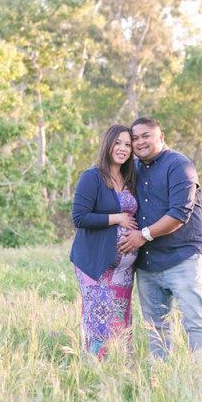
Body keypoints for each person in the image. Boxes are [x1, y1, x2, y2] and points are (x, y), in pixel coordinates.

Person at [117, 117, 202, 359]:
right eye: (135, 138)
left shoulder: (180, 166)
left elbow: (179, 214)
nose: (139, 142)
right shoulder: (133, 170)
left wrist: (143, 236)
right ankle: (160, 379)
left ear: (161, 137)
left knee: (195, 322)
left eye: (146, 136)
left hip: (183, 259)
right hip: (148, 264)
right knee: (156, 327)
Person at [70, 124, 139, 359]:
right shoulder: (93, 176)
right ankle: (95, 370)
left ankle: (121, 367)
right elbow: (79, 217)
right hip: (96, 264)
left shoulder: (129, 177)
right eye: (118, 143)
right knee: (98, 320)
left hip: (124, 269)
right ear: (107, 144)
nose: (123, 148)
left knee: (121, 321)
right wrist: (116, 218)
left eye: (128, 145)